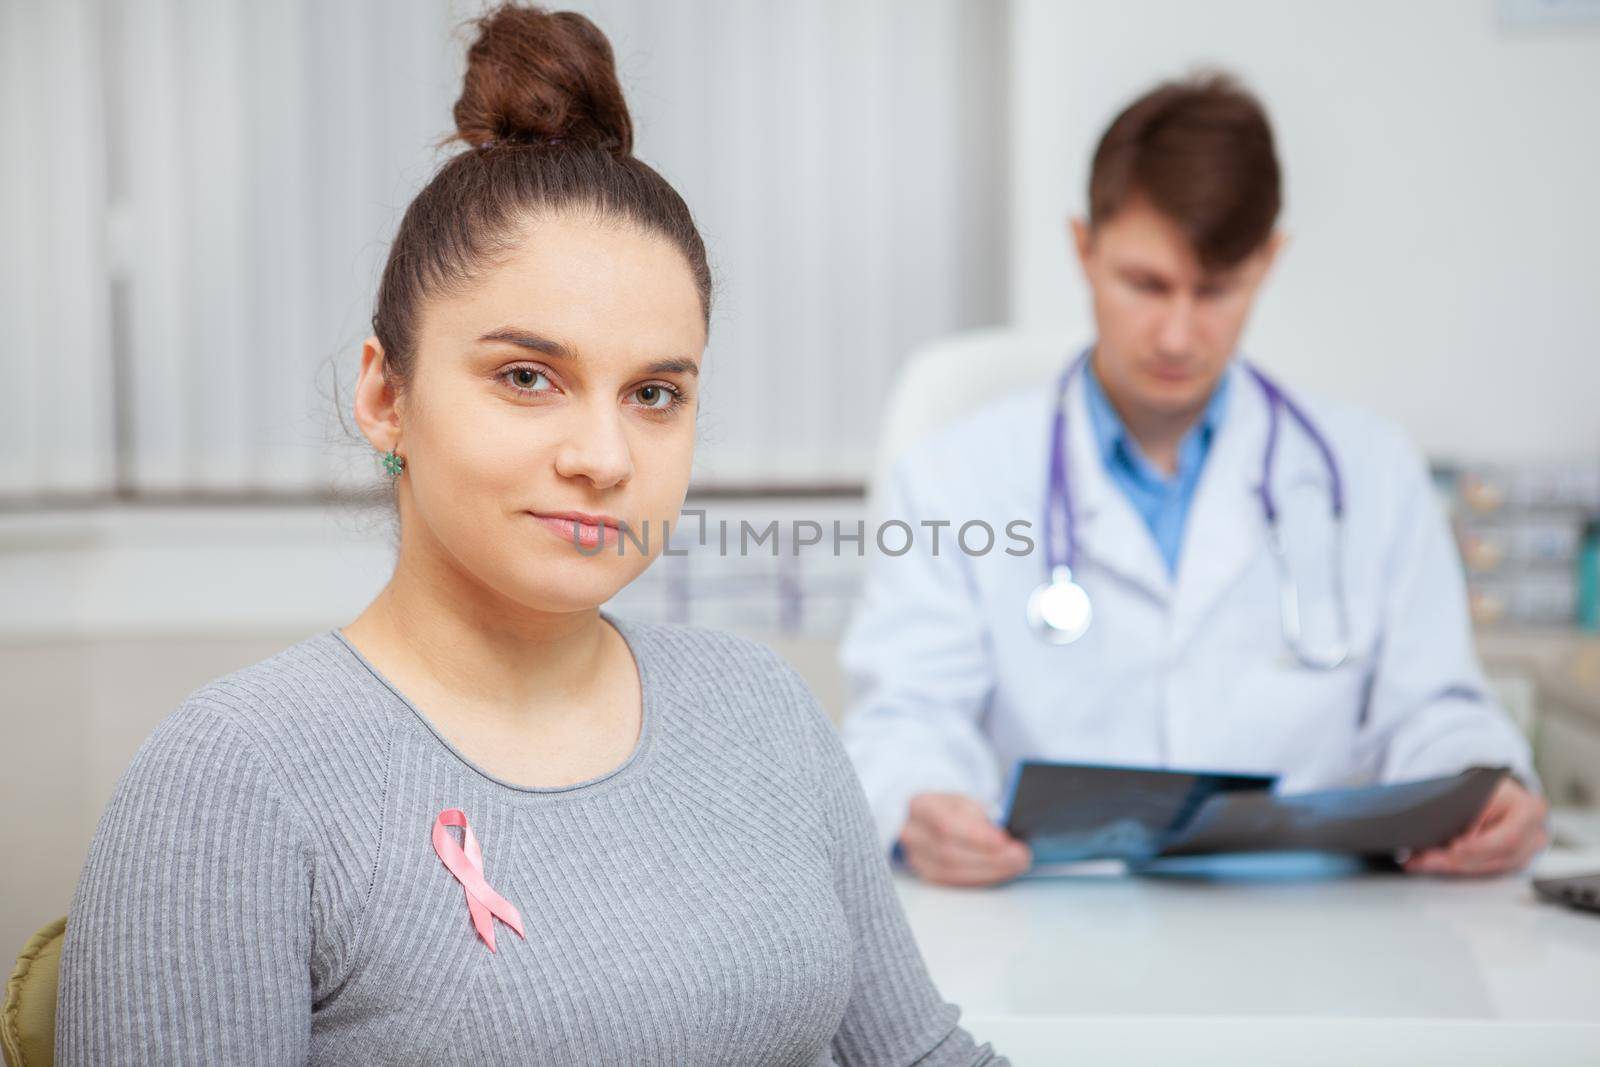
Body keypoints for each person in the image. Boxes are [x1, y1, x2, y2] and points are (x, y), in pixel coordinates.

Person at [53, 7, 1004, 1064]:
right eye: (526, 377)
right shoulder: (235, 779)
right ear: (385, 394)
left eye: (652, 392)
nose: (602, 454)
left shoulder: (762, 709)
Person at [839, 73, 1547, 888]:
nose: (1178, 333)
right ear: (1083, 249)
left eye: (1215, 290)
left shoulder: (1369, 472)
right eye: (1147, 285)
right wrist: (925, 800)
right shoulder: (954, 476)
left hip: (1312, 930)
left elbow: (1435, 708)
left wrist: (1486, 782)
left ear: (1268, 262)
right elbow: (907, 715)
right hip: (1047, 916)